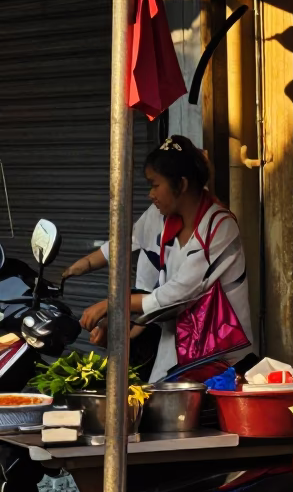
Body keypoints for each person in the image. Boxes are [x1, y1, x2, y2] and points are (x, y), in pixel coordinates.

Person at [62, 136, 252, 382]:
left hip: (220, 358)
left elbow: (178, 293)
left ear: (181, 184)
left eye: (155, 185)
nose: (150, 194)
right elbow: (123, 248)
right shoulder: (159, 217)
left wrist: (114, 303)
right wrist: (82, 268)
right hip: (174, 354)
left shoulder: (220, 227)